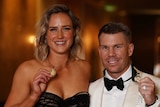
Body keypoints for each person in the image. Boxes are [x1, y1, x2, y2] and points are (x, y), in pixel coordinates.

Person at [4, 4, 91, 107]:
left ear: (74, 32)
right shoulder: (27, 70)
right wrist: (33, 96)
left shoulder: (84, 68)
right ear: (45, 35)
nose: (60, 36)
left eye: (66, 28)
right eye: (53, 29)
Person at [89, 22, 160, 107]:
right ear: (99, 51)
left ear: (130, 49)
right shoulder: (90, 89)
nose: (111, 54)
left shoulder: (157, 85)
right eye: (105, 47)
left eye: (117, 47)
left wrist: (152, 103)